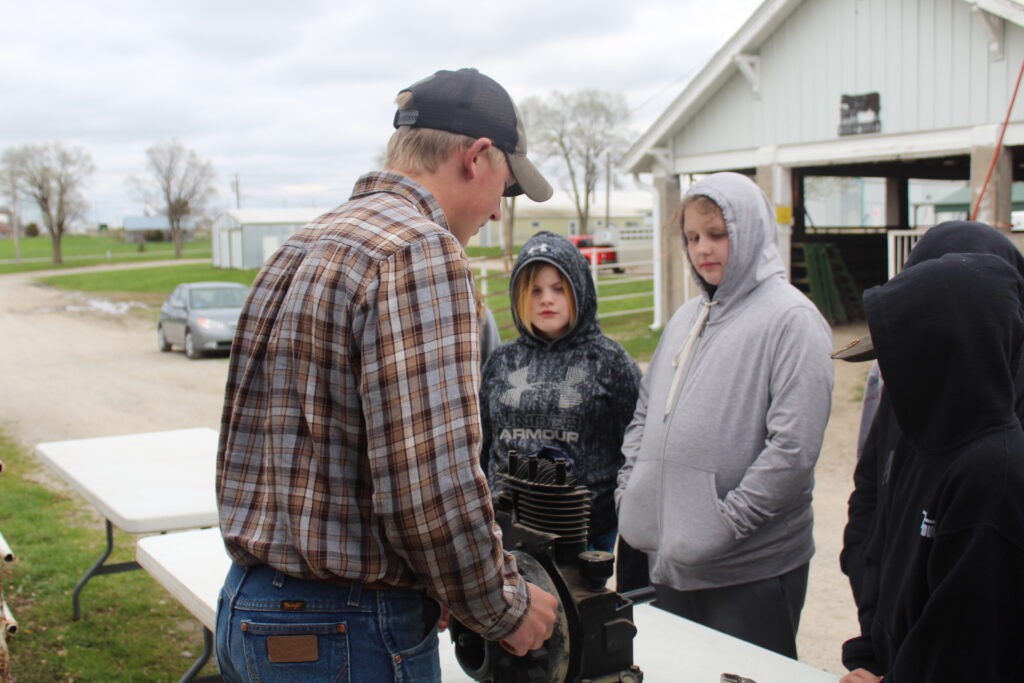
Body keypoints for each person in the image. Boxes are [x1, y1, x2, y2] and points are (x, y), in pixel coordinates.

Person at [214, 68, 559, 683]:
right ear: (477, 157)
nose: (496, 215)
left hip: (250, 608)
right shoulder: (419, 252)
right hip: (345, 630)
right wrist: (502, 607)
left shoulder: (304, 244)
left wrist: (441, 581)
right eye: (506, 190)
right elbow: (429, 486)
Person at [615, 171, 834, 658]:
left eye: (717, 234)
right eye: (692, 237)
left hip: (749, 571)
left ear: (751, 229)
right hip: (671, 561)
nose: (702, 249)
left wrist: (724, 524)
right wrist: (632, 492)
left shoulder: (792, 321)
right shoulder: (685, 317)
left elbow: (793, 450)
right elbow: (645, 413)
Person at [837, 220, 1024, 679]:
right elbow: (871, 499)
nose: (891, 373)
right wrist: (875, 636)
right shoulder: (920, 408)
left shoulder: (994, 471)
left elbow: (972, 644)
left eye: (909, 349)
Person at [479, 230, 643, 556]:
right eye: (535, 290)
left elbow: (638, 448)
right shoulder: (501, 361)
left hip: (588, 536)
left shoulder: (610, 361)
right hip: (508, 534)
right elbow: (482, 443)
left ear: (579, 290)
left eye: (558, 289)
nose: (546, 299)